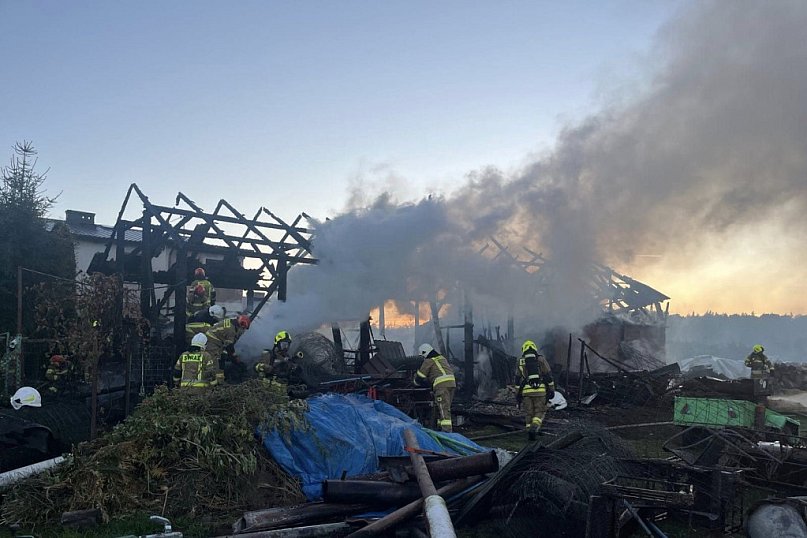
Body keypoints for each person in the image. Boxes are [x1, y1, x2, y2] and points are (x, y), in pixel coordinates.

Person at [516, 340, 555, 441]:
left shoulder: (520, 361)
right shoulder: (541, 359)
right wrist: (552, 389)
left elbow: (517, 379)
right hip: (540, 391)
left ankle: (529, 431)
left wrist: (518, 394)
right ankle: (534, 428)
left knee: (529, 412)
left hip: (526, 392)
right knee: (539, 411)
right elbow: (548, 375)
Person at [414, 343, 455, 432]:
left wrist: (415, 382)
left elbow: (421, 376)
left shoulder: (429, 360)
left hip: (441, 386)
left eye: (423, 355)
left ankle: (446, 432)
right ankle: (440, 429)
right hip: (451, 384)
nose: (423, 357)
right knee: (443, 408)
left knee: (443, 409)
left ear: (425, 352)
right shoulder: (442, 358)